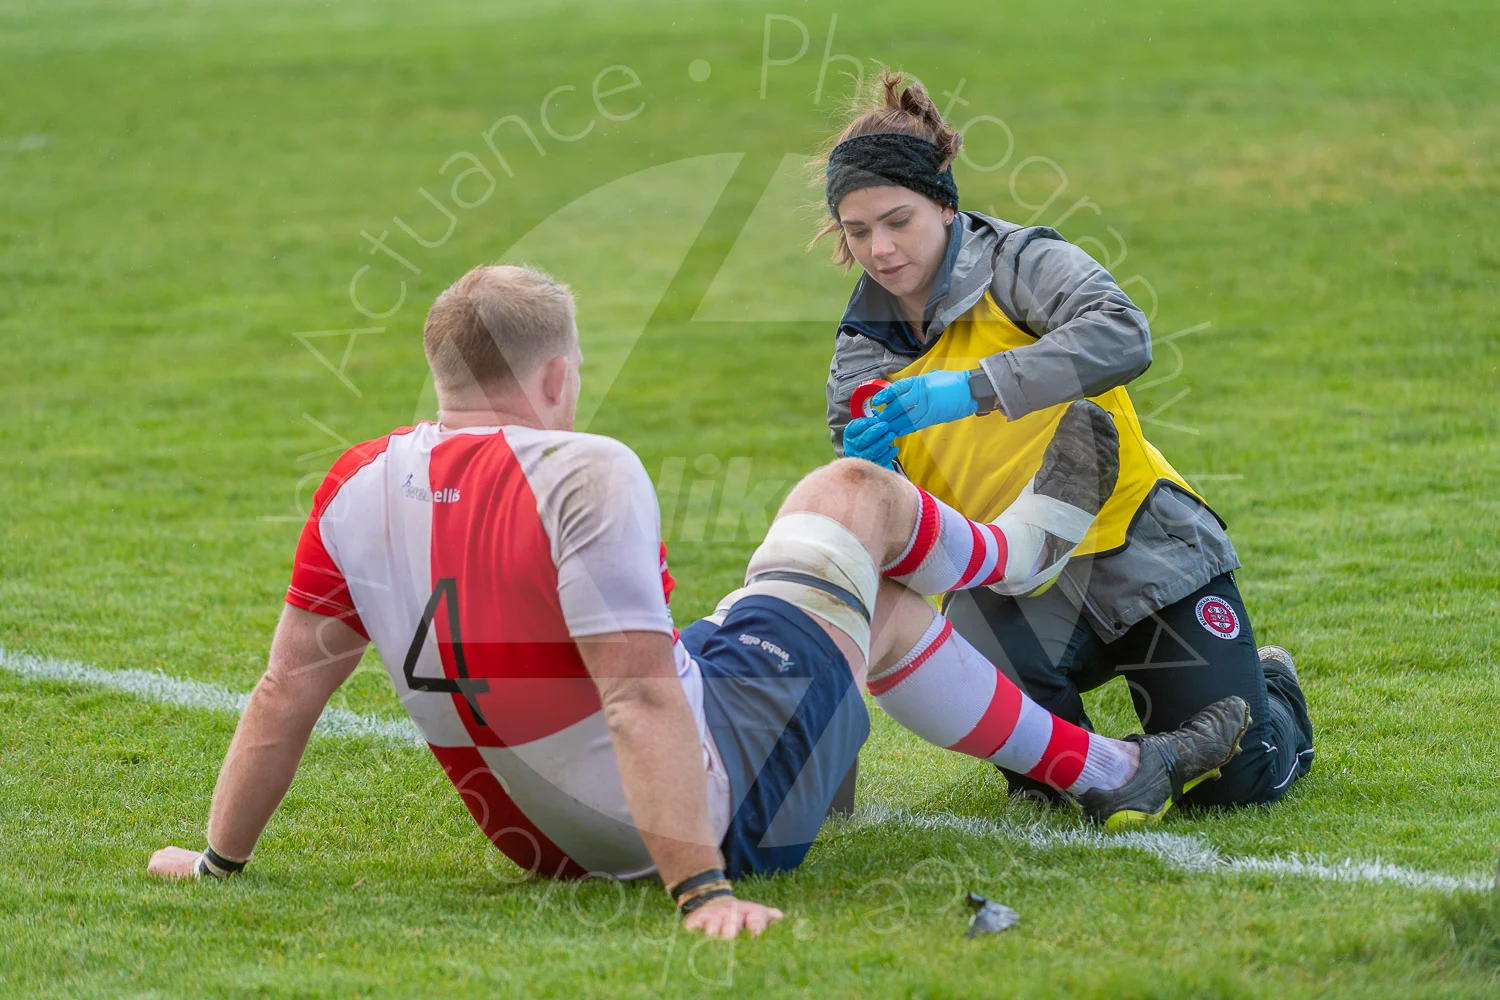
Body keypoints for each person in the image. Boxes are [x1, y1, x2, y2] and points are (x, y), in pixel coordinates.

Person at [147, 265, 1248, 940]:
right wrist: (701, 891)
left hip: (541, 843)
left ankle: (1111, 773)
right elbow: (636, 697)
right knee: (854, 495)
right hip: (711, 801)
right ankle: (1019, 553)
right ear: (556, 379)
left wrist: (218, 859)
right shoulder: (583, 464)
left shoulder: (353, 483)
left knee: (872, 605)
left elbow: (285, 687)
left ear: (437, 372)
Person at [816, 70, 1313, 808]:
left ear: (944, 205)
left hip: (1143, 550)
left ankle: (1270, 686)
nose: (880, 250)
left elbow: (1123, 333)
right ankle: (1110, 763)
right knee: (1058, 794)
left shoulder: (1020, 262)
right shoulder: (860, 351)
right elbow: (883, 510)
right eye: (857, 232)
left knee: (1236, 784)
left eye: (898, 221)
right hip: (1015, 591)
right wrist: (873, 474)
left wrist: (972, 389)